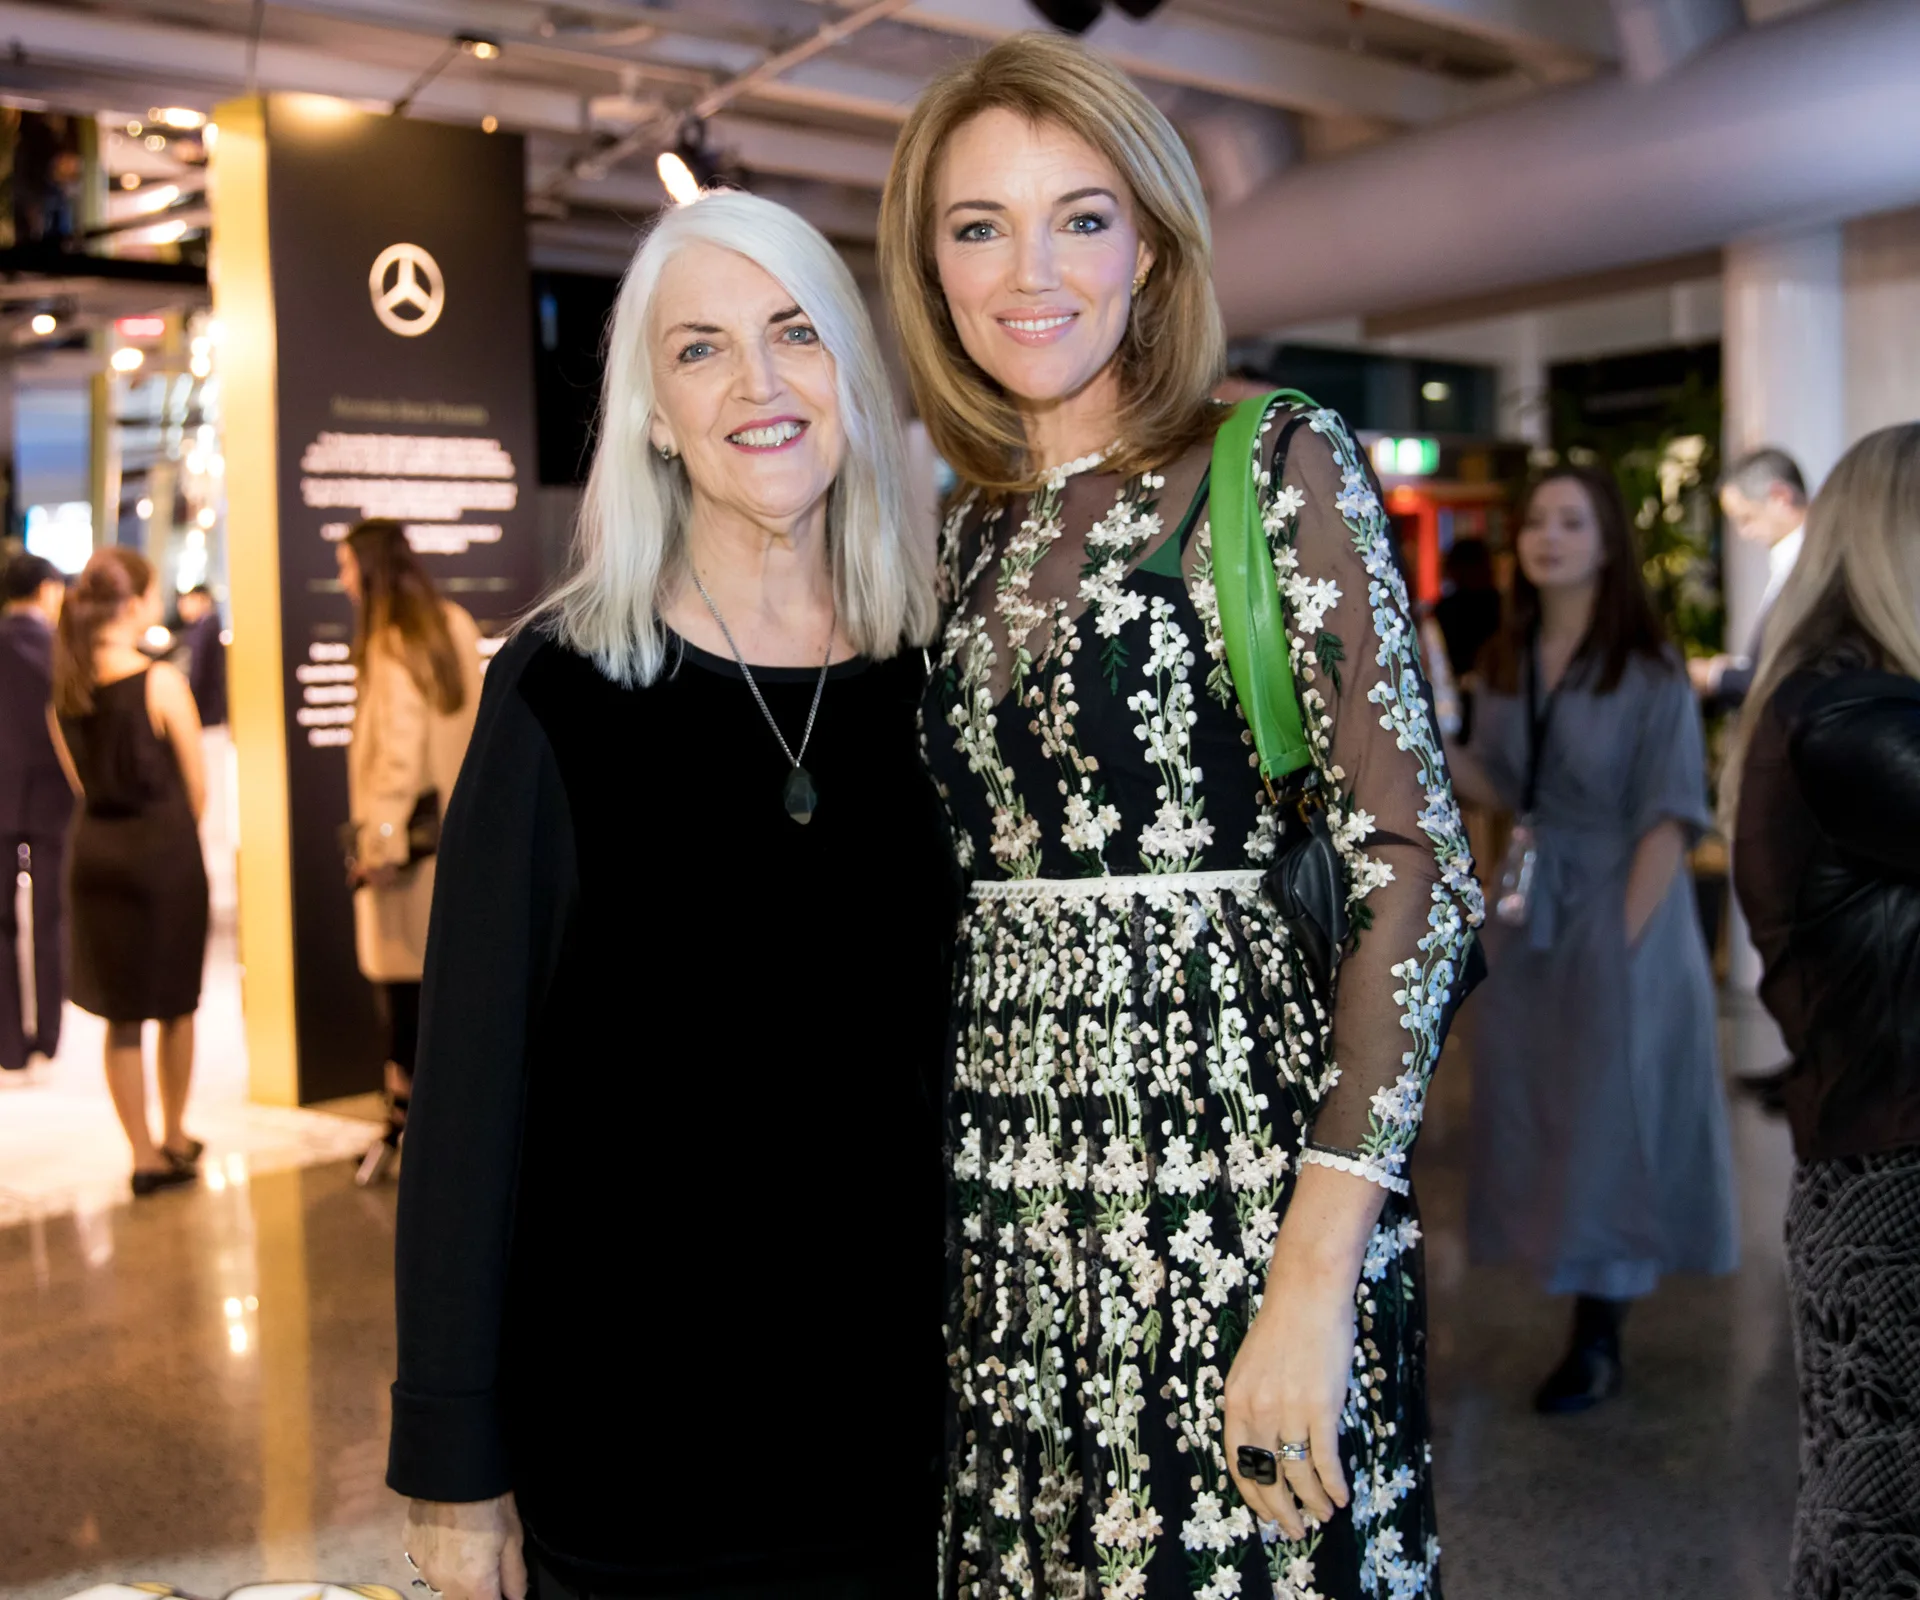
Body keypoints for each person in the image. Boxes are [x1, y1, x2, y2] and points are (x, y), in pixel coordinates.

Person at [880, 35, 1483, 1597]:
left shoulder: (1268, 460)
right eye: (979, 226)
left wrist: (1309, 1277)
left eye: (1081, 218)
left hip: (1234, 1180)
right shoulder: (960, 532)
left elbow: (1414, 874)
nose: (1032, 271)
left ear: (1149, 247)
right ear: (931, 265)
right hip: (1014, 1205)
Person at [388, 191, 950, 1600]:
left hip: (909, 1456)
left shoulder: (936, 689)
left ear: (852, 380)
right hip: (637, 1475)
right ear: (650, 411)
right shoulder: (561, 693)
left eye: (796, 334)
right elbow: (466, 1107)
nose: (758, 385)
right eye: (701, 350)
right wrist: (455, 1469)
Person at [1447, 465, 1737, 1412]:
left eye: (1571, 521)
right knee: (1544, 1103)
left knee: (1616, 1109)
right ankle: (1572, 1279)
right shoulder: (1507, 654)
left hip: (1623, 911)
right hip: (1533, 908)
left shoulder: (1647, 665)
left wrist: (1620, 940)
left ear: (1607, 541)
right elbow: (1495, 779)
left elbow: (1670, 815)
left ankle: (1600, 1330)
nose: (1549, 537)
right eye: (1535, 521)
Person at [1728, 423, 1920, 1600]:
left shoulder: (1851, 703)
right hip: (1893, 1171)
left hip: (1883, 1152)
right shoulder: (1851, 716)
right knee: (1883, 1537)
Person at [48, 547, 209, 1196]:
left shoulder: (65, 691)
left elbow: (79, 783)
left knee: (122, 1015)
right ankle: (173, 1133)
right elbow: (196, 785)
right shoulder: (159, 680)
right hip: (162, 857)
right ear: (137, 602)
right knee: (175, 1004)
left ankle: (142, 1154)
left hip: (96, 859)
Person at [335, 520, 482, 1186]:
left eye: (345, 566)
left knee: (402, 1000)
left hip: (408, 860)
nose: (341, 581)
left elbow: (396, 755)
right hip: (454, 842)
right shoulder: (450, 623)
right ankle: (443, 1124)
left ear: (370, 569)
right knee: (443, 991)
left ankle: (406, 1126)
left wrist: (381, 844)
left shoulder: (390, 641)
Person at [0, 553, 72, 1077]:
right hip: (54, 801)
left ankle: (7, 1043)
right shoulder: (60, 649)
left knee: (1, 922)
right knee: (49, 920)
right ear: (48, 590)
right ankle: (48, 1038)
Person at [1690, 446, 1808, 707]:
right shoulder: (1791, 558)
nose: (1745, 533)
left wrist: (1715, 676)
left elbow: (1787, 674)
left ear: (1780, 497)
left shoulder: (1811, 563)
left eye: (1746, 518)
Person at [174, 584, 228, 729]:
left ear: (202, 600)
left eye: (188, 600)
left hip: (208, 712)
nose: (182, 605)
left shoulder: (207, 628)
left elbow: (197, 670)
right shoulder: (197, 628)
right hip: (208, 711)